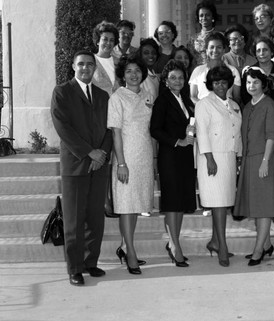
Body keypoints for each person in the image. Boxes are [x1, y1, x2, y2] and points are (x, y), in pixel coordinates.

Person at [50, 50, 112, 286]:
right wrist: (89, 152)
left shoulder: (103, 95)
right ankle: (74, 268)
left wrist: (102, 154)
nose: (85, 68)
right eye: (81, 64)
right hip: (76, 164)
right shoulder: (62, 92)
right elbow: (62, 127)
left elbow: (110, 128)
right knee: (74, 220)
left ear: (95, 68)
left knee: (95, 216)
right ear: (74, 67)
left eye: (89, 64)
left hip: (99, 164)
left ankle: (90, 262)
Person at [107, 56, 154, 275]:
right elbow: (116, 132)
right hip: (126, 158)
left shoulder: (147, 95)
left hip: (144, 156)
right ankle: (131, 253)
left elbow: (149, 129)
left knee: (135, 205)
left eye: (137, 71)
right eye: (128, 71)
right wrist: (121, 163)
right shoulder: (117, 97)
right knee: (126, 205)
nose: (133, 74)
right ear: (122, 75)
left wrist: (153, 160)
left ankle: (125, 247)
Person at [234, 67, 274, 266]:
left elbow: (272, 135)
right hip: (249, 160)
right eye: (248, 82)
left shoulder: (270, 105)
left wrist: (265, 161)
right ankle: (266, 244)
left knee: (263, 208)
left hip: (265, 160)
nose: (251, 86)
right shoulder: (247, 106)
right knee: (256, 205)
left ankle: (257, 250)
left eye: (255, 82)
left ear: (263, 84)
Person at [150, 60, 196, 267]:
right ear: (166, 81)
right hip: (170, 155)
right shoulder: (162, 101)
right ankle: (175, 245)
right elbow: (155, 130)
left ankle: (173, 242)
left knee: (180, 202)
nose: (177, 81)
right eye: (173, 78)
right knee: (171, 201)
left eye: (180, 77)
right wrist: (177, 141)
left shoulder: (185, 99)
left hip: (186, 156)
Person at [195, 66, 242, 267]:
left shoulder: (234, 104)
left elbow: (236, 132)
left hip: (229, 157)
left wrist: (238, 155)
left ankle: (214, 241)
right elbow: (202, 132)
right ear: (210, 85)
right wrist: (210, 159)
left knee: (223, 203)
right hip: (211, 158)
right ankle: (222, 245)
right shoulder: (204, 104)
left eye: (224, 82)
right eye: (216, 83)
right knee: (219, 204)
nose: (221, 86)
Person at [189, 31, 241, 105]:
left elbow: (237, 98)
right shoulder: (198, 71)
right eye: (212, 47)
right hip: (203, 112)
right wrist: (207, 107)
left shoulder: (233, 71)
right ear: (206, 50)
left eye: (219, 47)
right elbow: (193, 97)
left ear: (224, 50)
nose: (215, 50)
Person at [241, 36, 274, 106]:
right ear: (255, 54)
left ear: (271, 52)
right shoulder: (249, 71)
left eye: (265, 50)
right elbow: (245, 96)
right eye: (258, 50)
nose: (261, 53)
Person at [92, 21, 121, 96]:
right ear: (98, 41)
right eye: (105, 39)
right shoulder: (90, 61)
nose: (108, 43)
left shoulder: (119, 62)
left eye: (111, 40)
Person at [187, 0, 219, 66]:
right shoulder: (193, 39)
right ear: (198, 18)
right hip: (198, 73)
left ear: (213, 17)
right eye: (201, 15)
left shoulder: (220, 36)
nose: (204, 18)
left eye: (207, 15)